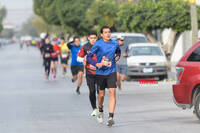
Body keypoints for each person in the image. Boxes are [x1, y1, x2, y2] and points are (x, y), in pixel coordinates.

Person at [87, 26, 121, 126]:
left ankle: (111, 117)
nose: (108, 34)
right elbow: (89, 57)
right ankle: (100, 109)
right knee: (101, 95)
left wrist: (118, 56)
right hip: (100, 72)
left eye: (109, 32)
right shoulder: (98, 44)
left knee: (112, 92)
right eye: (105, 32)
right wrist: (96, 63)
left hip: (111, 71)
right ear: (101, 35)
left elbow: (118, 51)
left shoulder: (115, 43)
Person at [77, 31, 99, 116]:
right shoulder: (85, 46)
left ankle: (100, 107)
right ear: (88, 38)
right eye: (91, 38)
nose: (93, 40)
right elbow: (78, 58)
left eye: (94, 38)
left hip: (100, 72)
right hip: (90, 72)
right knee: (92, 91)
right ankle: (94, 108)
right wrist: (84, 59)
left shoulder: (100, 46)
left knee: (100, 91)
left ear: (97, 38)